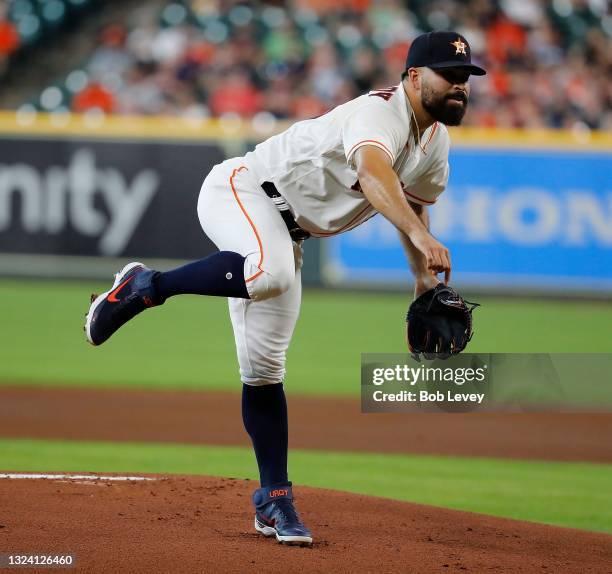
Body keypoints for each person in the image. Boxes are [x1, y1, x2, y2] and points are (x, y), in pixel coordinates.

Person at [84, 31, 486, 546]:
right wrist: (420, 234)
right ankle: (146, 285)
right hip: (243, 189)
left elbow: (415, 202)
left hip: (286, 232)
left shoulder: (436, 143)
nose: (460, 86)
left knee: (264, 369)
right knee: (270, 274)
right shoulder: (378, 114)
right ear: (412, 77)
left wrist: (420, 280)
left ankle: (273, 500)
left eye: (465, 78)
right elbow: (373, 170)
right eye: (448, 75)